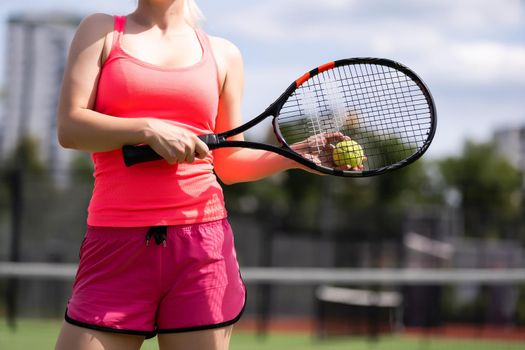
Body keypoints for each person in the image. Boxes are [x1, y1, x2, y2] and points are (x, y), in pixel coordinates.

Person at [55, 1, 349, 349]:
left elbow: (229, 163)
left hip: (201, 249)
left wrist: (292, 157)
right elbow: (70, 127)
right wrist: (147, 129)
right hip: (116, 243)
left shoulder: (224, 54)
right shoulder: (102, 31)